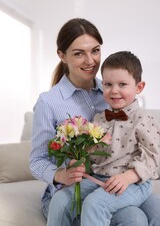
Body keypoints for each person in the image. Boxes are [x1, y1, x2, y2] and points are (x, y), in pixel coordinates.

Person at [30, 18, 160, 226]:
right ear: (62, 56)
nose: (90, 60)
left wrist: (130, 176)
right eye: (79, 53)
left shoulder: (113, 87)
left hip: (121, 179)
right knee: (134, 218)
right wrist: (62, 172)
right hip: (81, 184)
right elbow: (37, 161)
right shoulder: (49, 102)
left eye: (95, 50)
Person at [80, 50, 160, 225]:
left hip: (134, 182)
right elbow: (91, 154)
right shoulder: (98, 120)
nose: (114, 91)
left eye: (122, 84)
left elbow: (154, 157)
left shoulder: (144, 119)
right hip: (102, 180)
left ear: (139, 87)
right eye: (108, 84)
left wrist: (129, 177)